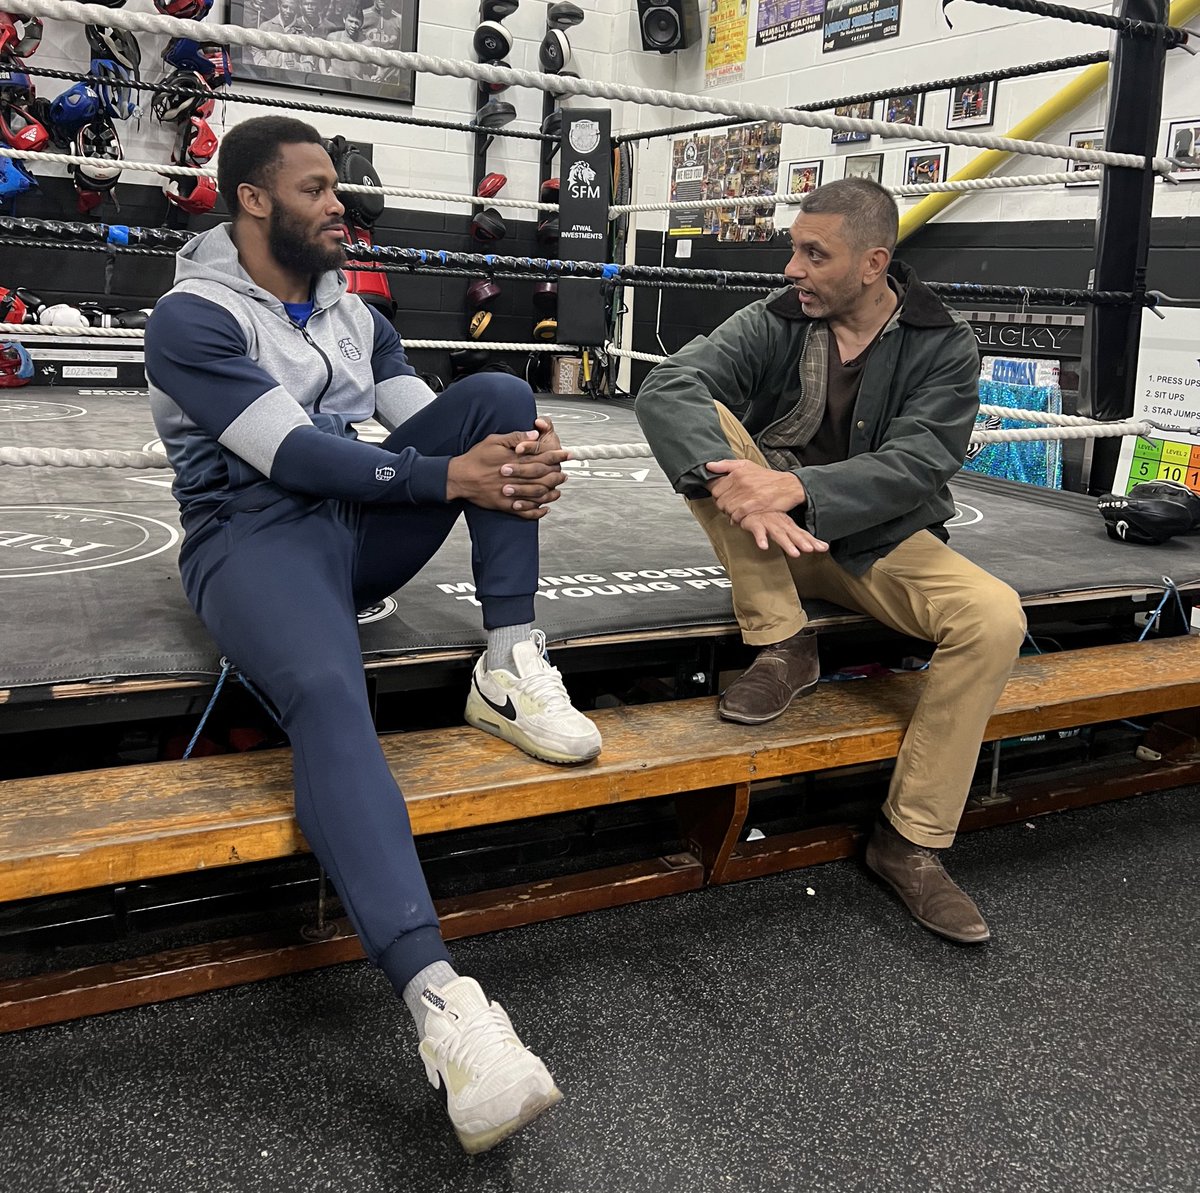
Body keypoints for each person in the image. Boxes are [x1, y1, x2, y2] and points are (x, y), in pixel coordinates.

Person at [145, 116, 601, 1152]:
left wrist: (515, 452)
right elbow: (295, 454)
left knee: (497, 396)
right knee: (329, 689)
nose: (338, 202)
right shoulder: (191, 316)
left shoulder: (354, 309)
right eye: (315, 188)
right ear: (254, 200)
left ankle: (509, 661)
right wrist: (455, 476)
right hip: (250, 536)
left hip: (352, 529)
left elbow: (423, 421)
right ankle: (446, 1009)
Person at [634, 178, 1026, 945]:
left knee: (994, 614)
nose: (792, 267)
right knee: (703, 427)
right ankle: (784, 640)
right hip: (768, 544)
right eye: (794, 248)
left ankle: (910, 842)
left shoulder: (943, 343)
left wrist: (798, 487)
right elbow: (671, 384)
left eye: (815, 254)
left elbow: (920, 462)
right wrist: (755, 484)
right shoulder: (776, 318)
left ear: (874, 262)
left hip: (875, 539)